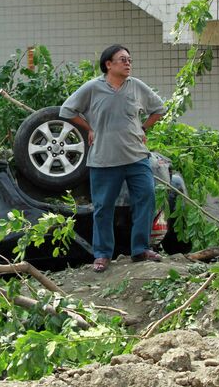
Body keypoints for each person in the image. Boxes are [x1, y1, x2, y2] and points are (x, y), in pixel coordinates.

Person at [59, 45, 165, 272]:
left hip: (137, 157)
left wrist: (144, 128)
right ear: (108, 64)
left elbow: (159, 109)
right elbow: (67, 111)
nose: (128, 63)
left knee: (146, 199)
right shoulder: (92, 88)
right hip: (104, 160)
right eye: (122, 60)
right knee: (103, 207)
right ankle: (102, 255)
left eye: (130, 59)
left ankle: (140, 250)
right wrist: (89, 128)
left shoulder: (136, 86)